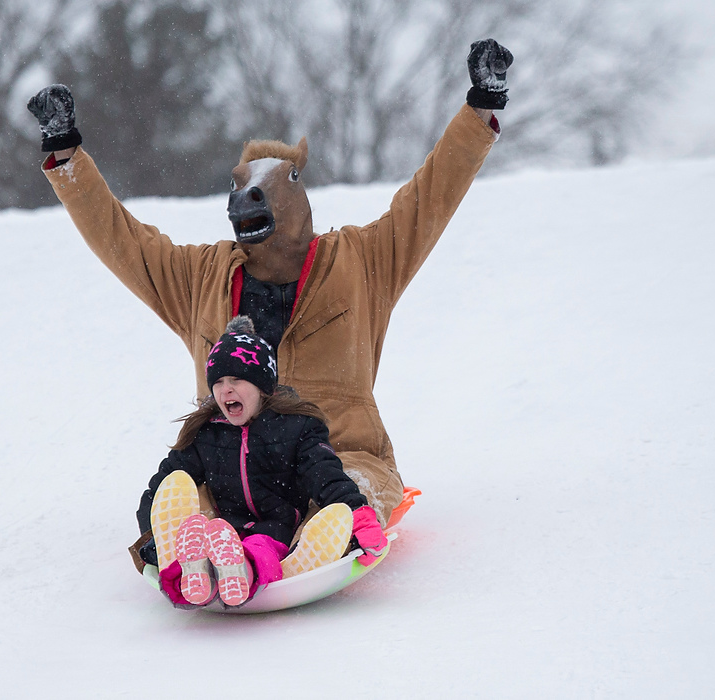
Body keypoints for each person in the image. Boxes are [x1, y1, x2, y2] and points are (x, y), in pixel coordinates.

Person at [28, 39, 513, 547]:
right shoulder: (200, 278)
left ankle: (328, 533)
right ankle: (192, 539)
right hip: (228, 466)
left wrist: (481, 105)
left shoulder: (362, 262)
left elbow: (428, 198)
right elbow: (121, 240)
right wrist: (65, 153)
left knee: (351, 491)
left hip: (339, 454)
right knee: (186, 495)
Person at [138, 316, 388, 607]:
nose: (225, 390)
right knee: (196, 518)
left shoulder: (297, 427)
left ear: (262, 385)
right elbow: (164, 489)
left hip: (275, 529)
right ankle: (191, 570)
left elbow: (325, 474)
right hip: (224, 528)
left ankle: (239, 570)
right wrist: (149, 536)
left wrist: (358, 514)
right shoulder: (206, 433)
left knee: (259, 550)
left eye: (237, 379)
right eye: (217, 382)